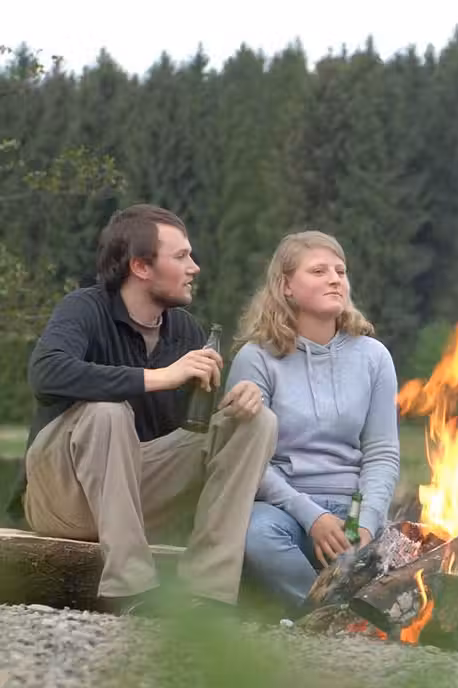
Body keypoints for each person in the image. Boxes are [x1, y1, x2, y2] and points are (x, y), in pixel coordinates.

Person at [7, 203, 278, 615]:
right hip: (60, 496)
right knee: (107, 411)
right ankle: (129, 589)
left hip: (133, 493)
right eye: (181, 256)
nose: (195, 267)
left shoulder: (185, 330)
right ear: (141, 267)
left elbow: (191, 435)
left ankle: (208, 593)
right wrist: (158, 377)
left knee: (255, 422)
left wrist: (235, 404)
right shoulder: (85, 308)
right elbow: (46, 372)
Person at [229, 231, 401, 612]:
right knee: (255, 535)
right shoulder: (256, 359)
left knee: (377, 553)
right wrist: (313, 517)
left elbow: (382, 453)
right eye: (319, 270)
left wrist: (367, 525)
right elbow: (246, 459)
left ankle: (337, 611)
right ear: (286, 286)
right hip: (283, 509)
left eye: (340, 271)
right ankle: (328, 615)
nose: (335, 278)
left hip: (352, 508)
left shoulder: (374, 357)